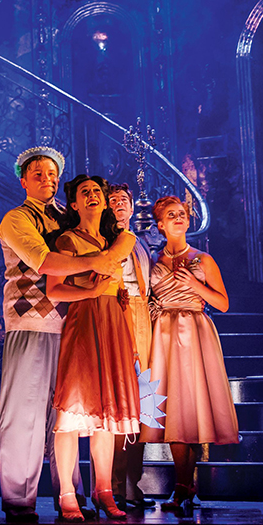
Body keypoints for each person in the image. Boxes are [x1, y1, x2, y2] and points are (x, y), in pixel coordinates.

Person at [0, 146, 111, 523]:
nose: (47, 179)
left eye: (52, 174)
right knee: (24, 413)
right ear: (23, 180)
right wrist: (99, 262)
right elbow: (44, 261)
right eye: (39, 174)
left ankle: (70, 494)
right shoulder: (16, 219)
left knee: (68, 415)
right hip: (30, 321)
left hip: (73, 321)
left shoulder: (68, 215)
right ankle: (19, 500)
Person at [47, 175, 140, 521]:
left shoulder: (115, 240)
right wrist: (89, 292)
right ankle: (68, 493)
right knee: (71, 413)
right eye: (84, 193)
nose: (92, 196)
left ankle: (104, 490)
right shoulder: (68, 240)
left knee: (106, 414)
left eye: (97, 192)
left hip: (114, 321)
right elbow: (54, 290)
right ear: (73, 204)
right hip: (84, 321)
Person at [141, 195, 239, 513]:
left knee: (192, 408)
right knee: (172, 411)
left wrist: (195, 287)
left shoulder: (203, 259)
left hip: (195, 333)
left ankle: (184, 486)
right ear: (160, 224)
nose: (179, 218)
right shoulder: (152, 260)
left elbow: (223, 303)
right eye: (172, 215)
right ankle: (184, 486)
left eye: (182, 214)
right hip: (163, 336)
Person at [104, 181, 153, 508]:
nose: (120, 203)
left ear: (133, 207)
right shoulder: (105, 242)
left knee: (143, 402)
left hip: (142, 318)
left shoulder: (141, 244)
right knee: (118, 401)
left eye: (125, 199)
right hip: (117, 313)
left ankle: (133, 484)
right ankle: (114, 486)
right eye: (114, 200)